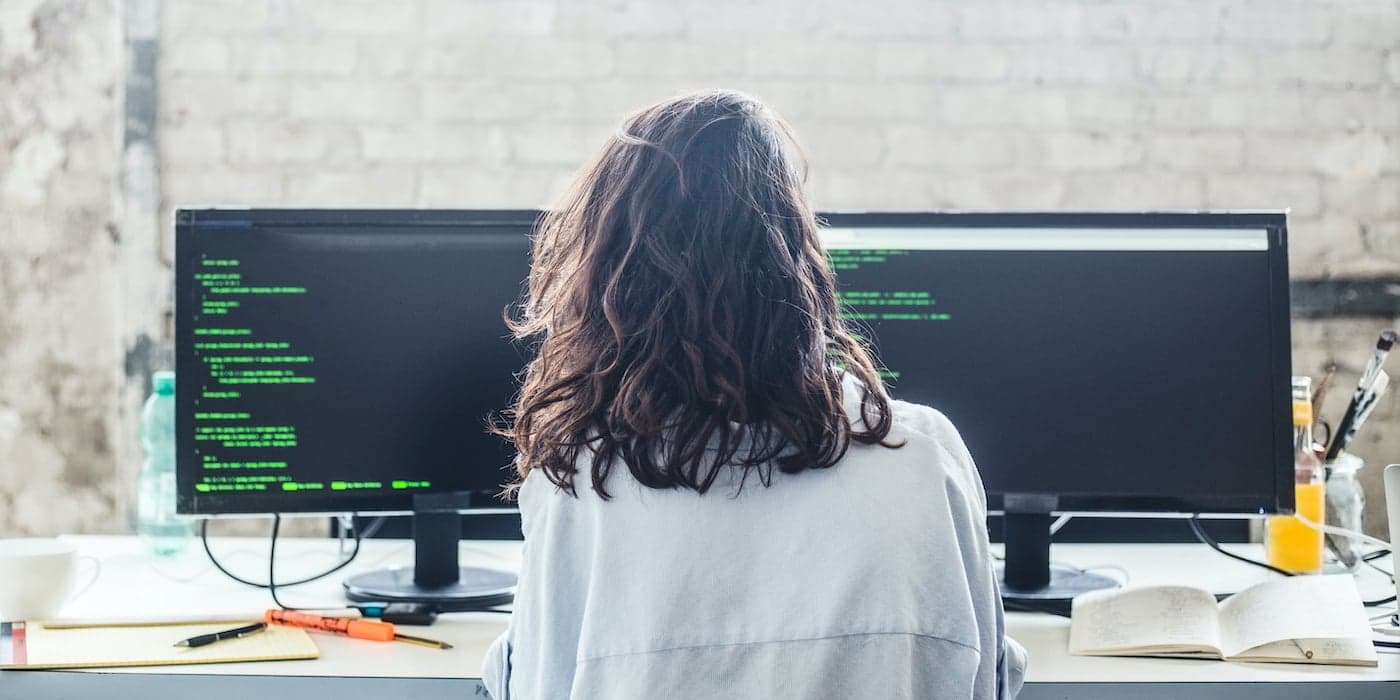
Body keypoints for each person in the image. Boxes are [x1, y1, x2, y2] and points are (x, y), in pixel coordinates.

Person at [483, 89, 1026, 699]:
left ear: (613, 274)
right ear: (796, 257)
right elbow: (987, 679)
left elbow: (536, 686)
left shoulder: (584, 475)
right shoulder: (923, 453)